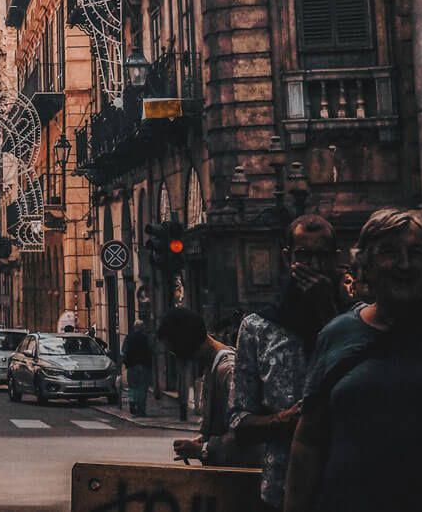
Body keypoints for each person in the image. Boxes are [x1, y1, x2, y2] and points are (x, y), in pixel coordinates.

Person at [283, 208, 422, 512]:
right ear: (365, 265)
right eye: (391, 252)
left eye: (415, 252)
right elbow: (308, 442)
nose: (405, 264)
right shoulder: (337, 334)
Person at [230, 213, 345, 511]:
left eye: (322, 256)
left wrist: (327, 311)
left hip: (347, 484)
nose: (315, 266)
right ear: (287, 258)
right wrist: (280, 421)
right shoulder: (258, 327)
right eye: (305, 256)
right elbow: (238, 420)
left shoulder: (359, 321)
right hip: (280, 490)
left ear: (335, 259)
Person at [157, 307, 259, 469]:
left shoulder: (227, 369)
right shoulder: (212, 366)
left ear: (184, 342)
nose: (174, 355)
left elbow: (244, 431)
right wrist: (201, 440)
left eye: (173, 349)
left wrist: (203, 449)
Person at [121, 320, 152, 416]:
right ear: (143, 328)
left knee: (132, 386)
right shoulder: (146, 338)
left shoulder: (128, 338)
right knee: (142, 388)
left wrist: (125, 363)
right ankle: (141, 410)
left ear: (134, 328)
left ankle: (132, 401)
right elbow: (151, 350)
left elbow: (123, 352)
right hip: (144, 365)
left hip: (132, 366)